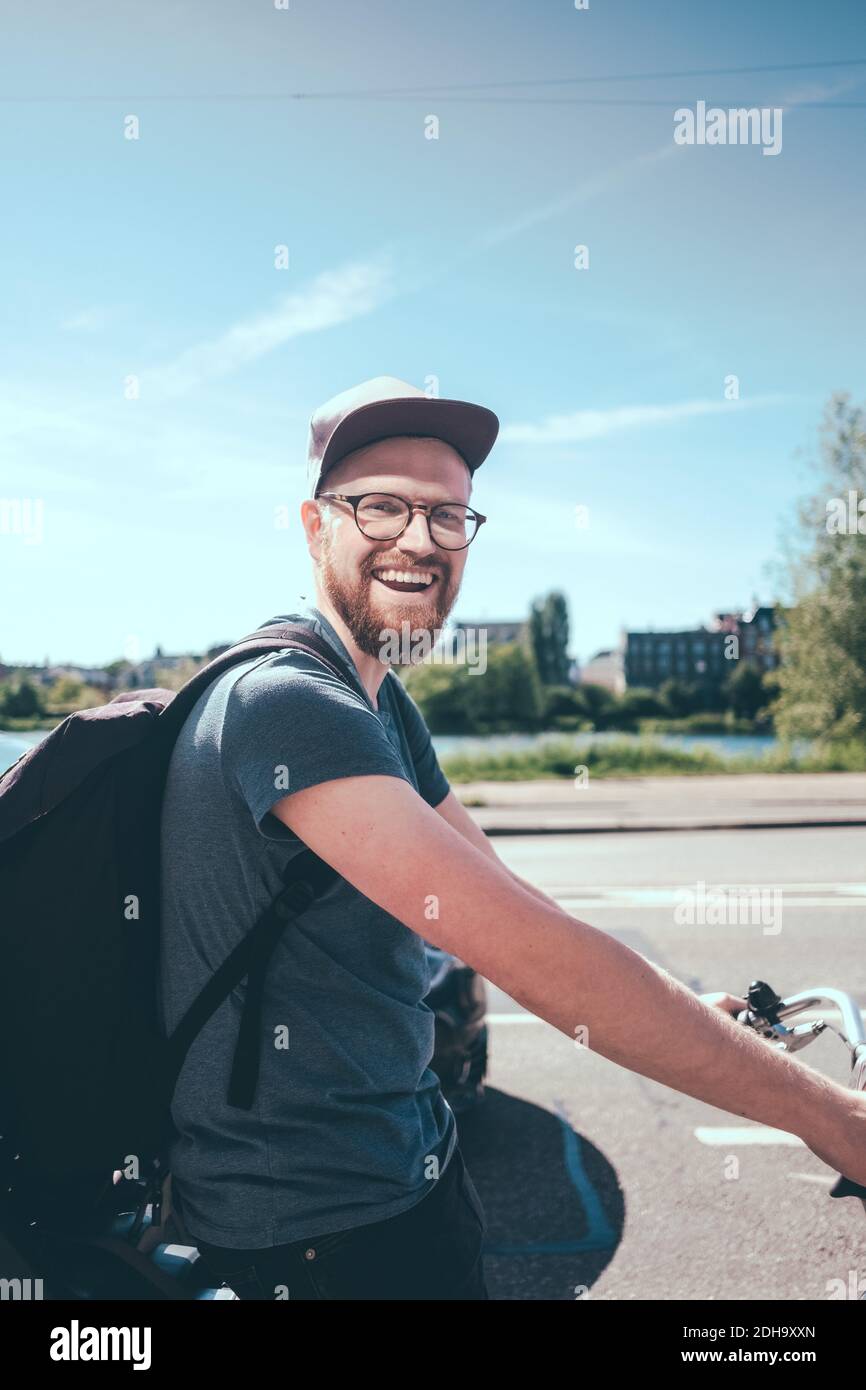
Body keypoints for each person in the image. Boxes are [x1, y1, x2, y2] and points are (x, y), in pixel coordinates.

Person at [159, 374, 866, 1301]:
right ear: (313, 524)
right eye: (381, 508)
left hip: (409, 1180)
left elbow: (506, 902)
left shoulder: (378, 698)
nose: (420, 540)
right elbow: (541, 961)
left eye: (449, 517)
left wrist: (698, 1021)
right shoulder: (289, 704)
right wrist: (833, 1119)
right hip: (313, 1242)